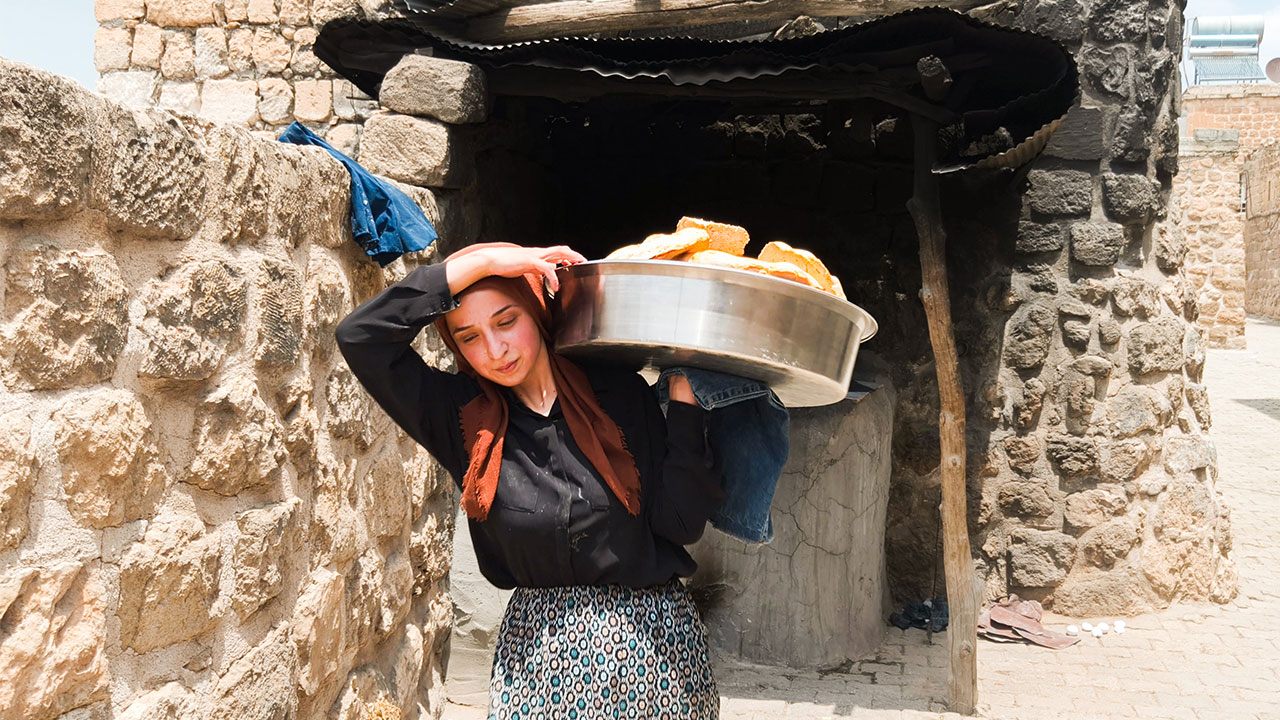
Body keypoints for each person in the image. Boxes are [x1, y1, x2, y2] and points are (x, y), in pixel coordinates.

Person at [334, 242, 726, 719]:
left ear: (537, 313)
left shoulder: (617, 394)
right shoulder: (462, 420)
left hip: (655, 657)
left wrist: (685, 406)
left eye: (506, 321)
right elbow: (361, 337)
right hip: (537, 669)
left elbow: (680, 523)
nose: (494, 350)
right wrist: (485, 262)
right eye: (469, 337)